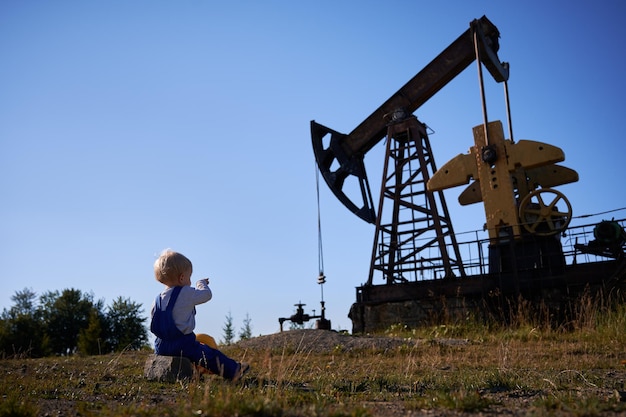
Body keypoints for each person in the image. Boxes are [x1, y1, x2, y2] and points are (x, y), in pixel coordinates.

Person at [150, 249, 250, 381]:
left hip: (160, 346)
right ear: (182, 278)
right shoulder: (185, 292)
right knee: (209, 355)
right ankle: (235, 371)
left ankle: (191, 372)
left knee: (196, 354)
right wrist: (201, 284)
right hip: (183, 343)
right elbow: (206, 295)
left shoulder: (157, 300)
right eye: (189, 277)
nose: (190, 282)